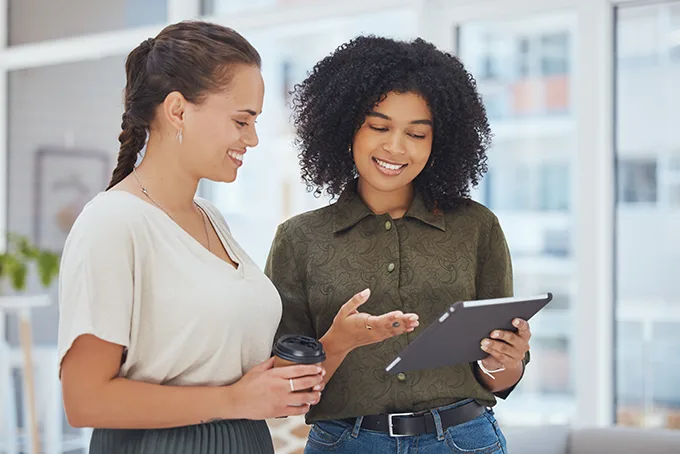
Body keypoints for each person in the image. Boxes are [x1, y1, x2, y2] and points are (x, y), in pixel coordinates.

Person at [57, 21, 327, 454]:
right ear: (178, 110)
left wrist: (337, 344)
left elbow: (228, 369)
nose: (252, 139)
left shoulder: (211, 218)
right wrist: (232, 401)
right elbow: (84, 399)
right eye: (242, 120)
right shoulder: (112, 223)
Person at [265, 36, 532, 454]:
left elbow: (496, 380)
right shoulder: (299, 240)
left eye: (417, 133)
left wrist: (508, 360)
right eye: (379, 127)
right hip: (345, 443)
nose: (395, 147)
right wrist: (338, 341)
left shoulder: (477, 227)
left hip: (463, 440)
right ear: (346, 126)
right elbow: (283, 392)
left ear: (437, 143)